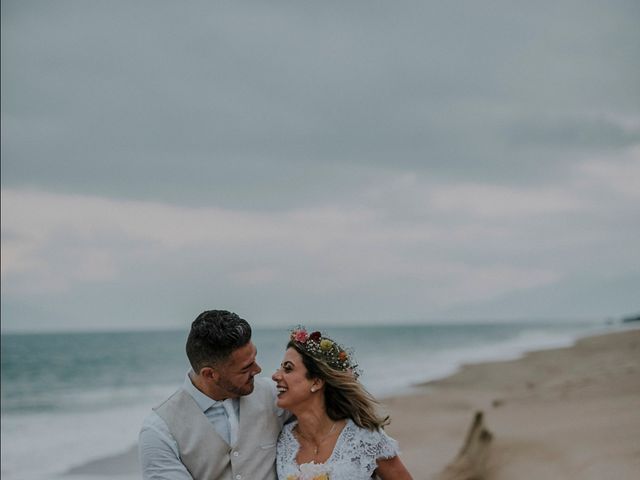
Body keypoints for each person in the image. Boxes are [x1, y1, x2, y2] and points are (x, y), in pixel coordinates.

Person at [139, 310, 288, 480]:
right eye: (246, 368)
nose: (258, 369)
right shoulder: (160, 430)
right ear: (209, 374)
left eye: (255, 358)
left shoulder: (276, 396)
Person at [271, 327, 413, 480]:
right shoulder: (282, 440)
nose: (275, 375)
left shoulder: (365, 438)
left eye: (288, 368)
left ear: (317, 382)